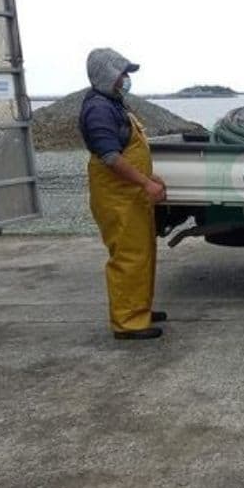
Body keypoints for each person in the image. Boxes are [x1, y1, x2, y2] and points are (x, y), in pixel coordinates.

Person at [78, 47, 168, 340]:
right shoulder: (98, 109)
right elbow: (111, 157)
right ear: (108, 75)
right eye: (123, 73)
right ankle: (128, 322)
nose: (127, 79)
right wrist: (145, 184)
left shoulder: (114, 104)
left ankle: (138, 307)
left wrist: (149, 177)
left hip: (131, 195)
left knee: (143, 253)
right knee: (129, 257)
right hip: (119, 198)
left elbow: (129, 152)